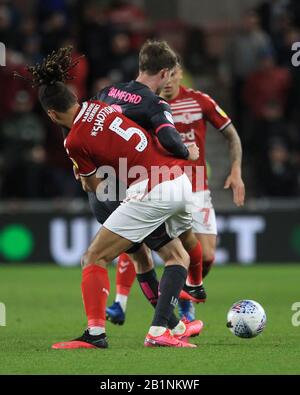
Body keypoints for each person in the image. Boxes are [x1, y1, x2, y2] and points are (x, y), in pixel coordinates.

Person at [19, 47, 203, 349]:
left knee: (93, 257)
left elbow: (92, 186)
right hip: (177, 181)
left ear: (52, 114)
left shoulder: (74, 139)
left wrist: (85, 172)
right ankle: (167, 327)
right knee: (177, 255)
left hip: (151, 189)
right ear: (75, 97)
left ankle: (96, 334)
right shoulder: (99, 105)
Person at [108, 60, 245, 322]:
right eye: (165, 76)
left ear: (181, 74)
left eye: (174, 75)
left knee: (205, 256)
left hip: (196, 189)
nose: (169, 81)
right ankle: (122, 303)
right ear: (160, 77)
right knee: (135, 241)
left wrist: (236, 170)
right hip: (159, 184)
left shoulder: (200, 101)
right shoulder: (147, 104)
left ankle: (183, 294)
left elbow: (232, 135)